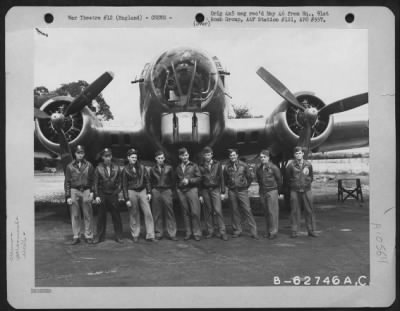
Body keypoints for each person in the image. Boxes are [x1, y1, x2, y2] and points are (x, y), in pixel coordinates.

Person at [223, 149, 259, 239]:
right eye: (231, 156)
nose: (232, 157)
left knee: (247, 210)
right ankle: (237, 230)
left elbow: (250, 177)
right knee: (234, 211)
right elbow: (225, 178)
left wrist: (246, 186)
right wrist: (230, 186)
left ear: (237, 155)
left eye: (234, 155)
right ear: (229, 157)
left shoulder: (244, 165)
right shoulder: (227, 167)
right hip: (232, 191)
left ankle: (253, 231)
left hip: (242, 190)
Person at [122, 148, 156, 242]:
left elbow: (147, 180)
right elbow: (124, 185)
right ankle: (135, 234)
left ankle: (150, 234)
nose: (134, 159)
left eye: (135, 157)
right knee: (134, 213)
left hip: (142, 191)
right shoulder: (125, 170)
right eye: (132, 157)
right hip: (131, 191)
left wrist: (149, 192)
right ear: (128, 158)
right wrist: (126, 199)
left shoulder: (142, 167)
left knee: (148, 212)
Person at [64, 145, 95, 245]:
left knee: (88, 214)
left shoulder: (89, 165)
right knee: (75, 214)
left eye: (82, 153)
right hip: (74, 190)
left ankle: (88, 235)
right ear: (75, 154)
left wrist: (93, 192)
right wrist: (68, 196)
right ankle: (76, 236)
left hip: (86, 190)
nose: (80, 155)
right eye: (78, 153)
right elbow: (67, 182)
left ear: (84, 154)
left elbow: (93, 180)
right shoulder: (69, 166)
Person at [286, 146, 318, 238]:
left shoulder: (308, 165)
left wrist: (306, 184)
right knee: (294, 210)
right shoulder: (290, 166)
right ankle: (294, 230)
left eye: (300, 153)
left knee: (309, 210)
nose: (298, 155)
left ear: (303, 154)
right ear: (294, 155)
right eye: (296, 153)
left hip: (306, 190)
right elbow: (288, 178)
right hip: (295, 190)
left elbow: (311, 177)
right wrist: (294, 185)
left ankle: (311, 230)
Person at [93, 148, 123, 244]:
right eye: (106, 156)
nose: (108, 158)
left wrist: (117, 191)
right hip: (102, 193)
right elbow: (95, 183)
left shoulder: (117, 167)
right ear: (102, 157)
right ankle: (99, 236)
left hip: (113, 194)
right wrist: (96, 195)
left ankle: (118, 236)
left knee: (116, 216)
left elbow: (120, 182)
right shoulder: (98, 168)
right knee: (101, 216)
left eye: (109, 156)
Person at [198, 146, 228, 241]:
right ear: (203, 155)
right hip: (205, 190)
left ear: (212, 154)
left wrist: (223, 192)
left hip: (215, 189)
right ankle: (210, 231)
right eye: (206, 155)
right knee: (208, 211)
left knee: (218, 210)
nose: (207, 156)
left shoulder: (217, 164)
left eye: (209, 154)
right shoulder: (200, 165)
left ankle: (222, 232)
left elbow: (222, 178)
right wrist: (200, 194)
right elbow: (199, 181)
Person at [149, 150, 178, 241]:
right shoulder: (152, 169)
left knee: (169, 212)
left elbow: (173, 180)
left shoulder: (169, 168)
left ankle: (172, 233)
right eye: (159, 158)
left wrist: (172, 191)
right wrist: (151, 191)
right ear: (155, 159)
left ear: (164, 158)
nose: (161, 160)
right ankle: (159, 233)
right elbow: (149, 182)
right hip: (156, 190)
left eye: (162, 158)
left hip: (166, 190)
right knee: (157, 212)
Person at [175, 147, 202, 241]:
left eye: (186, 155)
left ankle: (197, 233)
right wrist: (178, 191)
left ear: (188, 155)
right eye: (183, 155)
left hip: (192, 190)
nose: (185, 157)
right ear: (180, 157)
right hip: (182, 192)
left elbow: (199, 178)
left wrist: (189, 180)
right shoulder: (178, 167)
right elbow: (176, 181)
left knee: (195, 212)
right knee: (185, 213)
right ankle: (188, 232)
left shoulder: (194, 165)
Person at [255, 149, 282, 239]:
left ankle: (273, 232)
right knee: (266, 212)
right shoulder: (259, 169)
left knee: (272, 212)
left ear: (268, 158)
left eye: (264, 157)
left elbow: (279, 180)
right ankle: (268, 231)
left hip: (272, 191)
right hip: (263, 191)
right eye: (261, 157)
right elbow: (259, 180)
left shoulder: (274, 167)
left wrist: (276, 190)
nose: (262, 159)